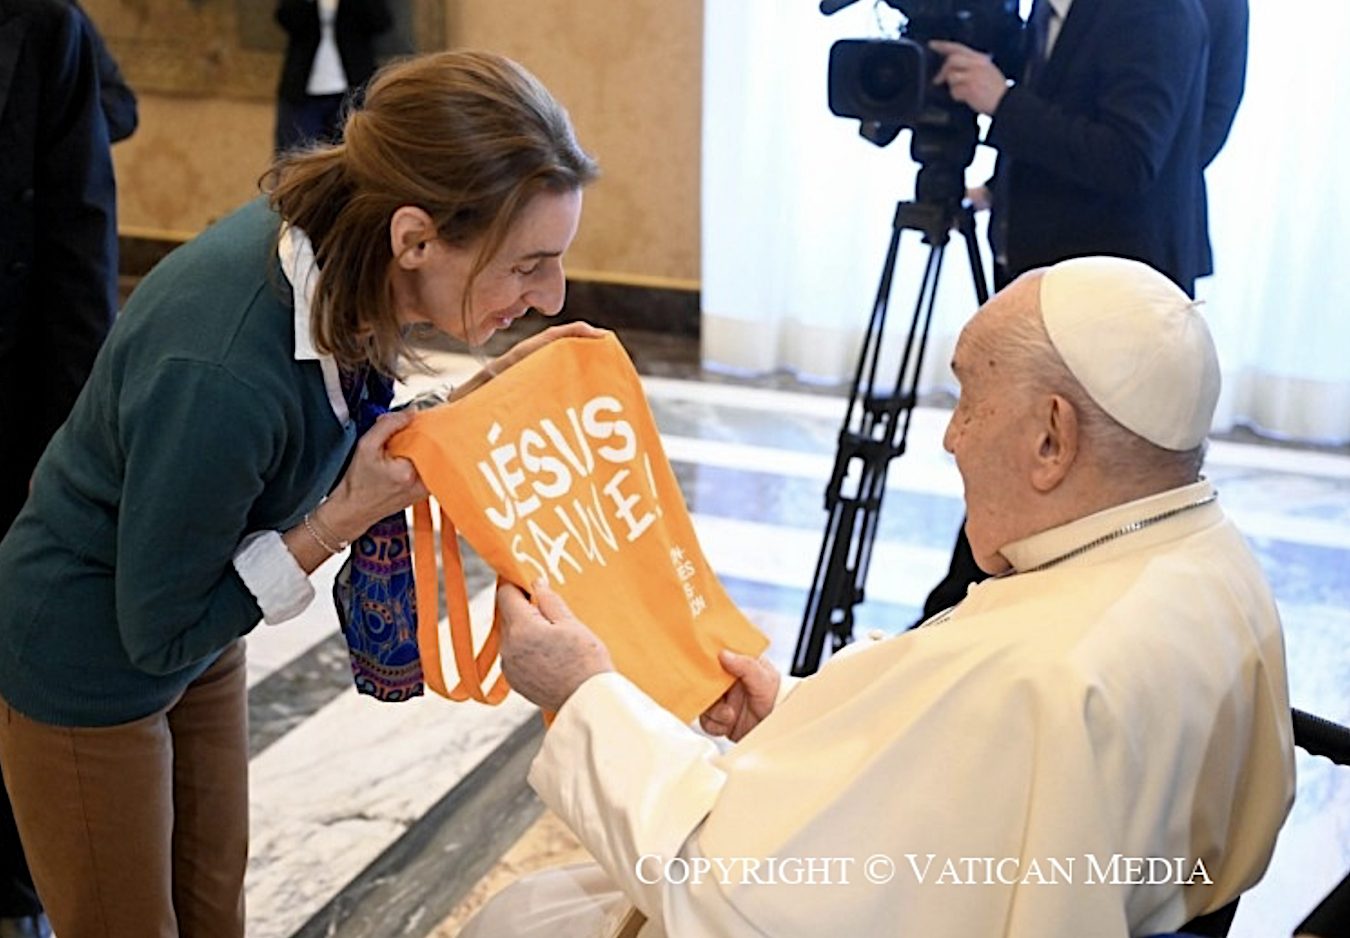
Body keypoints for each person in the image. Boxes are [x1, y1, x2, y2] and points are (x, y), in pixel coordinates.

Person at [466, 257, 1295, 937]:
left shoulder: (1034, 676)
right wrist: (793, 716)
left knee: (517, 921)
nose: (949, 434)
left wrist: (584, 691)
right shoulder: (1210, 556)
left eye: (969, 397)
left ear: (1051, 437)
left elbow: (726, 898)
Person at [0, 49, 598, 937]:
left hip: (201, 613)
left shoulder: (337, 256)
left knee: (214, 909)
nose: (550, 295)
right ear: (415, 238)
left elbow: (326, 413)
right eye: (528, 265)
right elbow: (155, 629)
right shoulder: (221, 367)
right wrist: (338, 519)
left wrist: (463, 412)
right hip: (92, 658)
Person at [917, 0, 1215, 621]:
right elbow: (1073, 118)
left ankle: (974, 620)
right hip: (1048, 287)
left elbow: (1132, 156)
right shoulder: (1054, 13)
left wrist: (1002, 100)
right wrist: (998, 192)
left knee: (1073, 485)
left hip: (1108, 309)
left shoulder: (1152, 13)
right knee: (1017, 465)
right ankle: (963, 617)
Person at [0, 0, 118, 932]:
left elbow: (79, 255)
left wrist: (75, 457)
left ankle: (13, 885)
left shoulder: (44, 26)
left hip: (13, 409)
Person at [274, 0, 392, 153]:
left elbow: (381, 21)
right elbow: (286, 18)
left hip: (352, 90)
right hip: (302, 91)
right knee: (296, 158)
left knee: (355, 156)